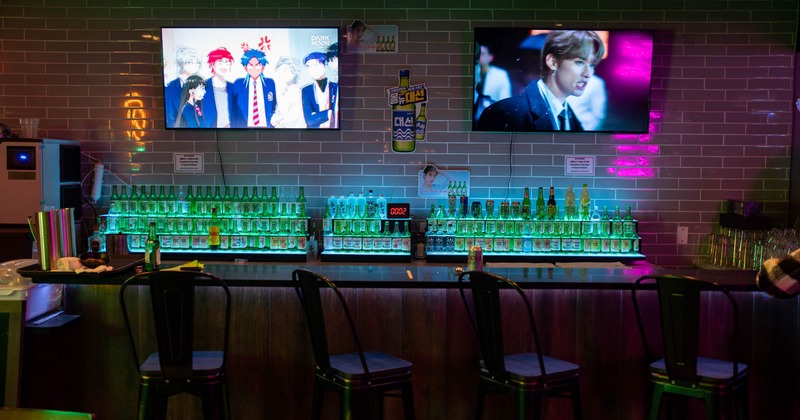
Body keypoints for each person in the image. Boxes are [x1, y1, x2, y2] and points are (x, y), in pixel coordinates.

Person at [477, 30, 605, 132]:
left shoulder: (569, 116)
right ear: (552, 62)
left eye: (592, 65)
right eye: (579, 62)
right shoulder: (502, 113)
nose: (588, 73)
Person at [229, 49, 277, 128]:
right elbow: (233, 110)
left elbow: (274, 106)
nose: (254, 68)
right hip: (244, 130)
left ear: (262, 66)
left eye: (257, 64)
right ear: (245, 67)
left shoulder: (270, 83)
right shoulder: (238, 84)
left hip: (266, 129)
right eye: (250, 65)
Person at [164, 46, 201, 128]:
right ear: (181, 63)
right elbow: (170, 115)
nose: (195, 65)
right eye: (190, 62)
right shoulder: (171, 86)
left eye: (197, 62)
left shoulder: (202, 84)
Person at [474, 43, 512, 121]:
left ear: (491, 57)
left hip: (493, 119)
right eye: (478, 54)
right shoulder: (471, 73)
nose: (479, 57)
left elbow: (506, 102)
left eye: (483, 54)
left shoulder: (500, 75)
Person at [301, 52, 338, 129]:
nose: (312, 69)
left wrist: (317, 115)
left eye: (315, 65)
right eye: (308, 66)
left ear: (325, 66)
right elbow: (309, 120)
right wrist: (329, 113)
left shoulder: (336, 87)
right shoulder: (306, 90)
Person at [270, 56, 306, 129]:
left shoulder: (297, 92)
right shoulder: (283, 91)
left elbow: (294, 116)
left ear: (294, 72)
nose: (282, 73)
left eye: (285, 70)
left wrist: (277, 121)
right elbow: (278, 111)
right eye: (279, 70)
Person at [204, 47, 234, 128]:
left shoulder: (232, 87)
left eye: (227, 63)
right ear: (212, 64)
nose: (224, 66)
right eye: (220, 63)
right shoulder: (203, 86)